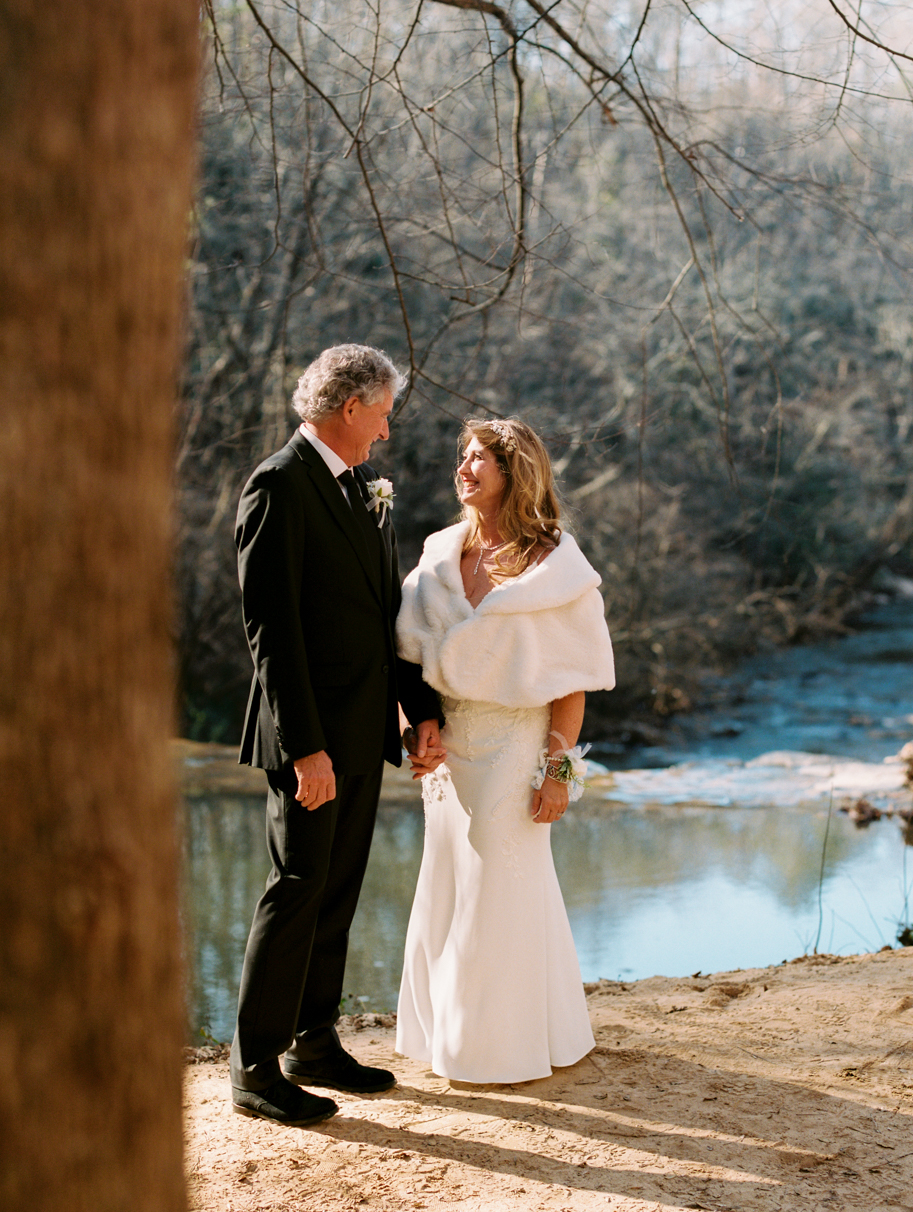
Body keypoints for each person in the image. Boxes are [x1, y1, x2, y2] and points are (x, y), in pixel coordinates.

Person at [230, 344, 444, 1126]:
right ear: (349, 408)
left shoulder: (359, 487)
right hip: (310, 738)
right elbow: (271, 630)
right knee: (294, 890)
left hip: (362, 730)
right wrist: (303, 748)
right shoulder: (277, 486)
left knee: (337, 890)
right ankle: (254, 1068)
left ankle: (313, 1044)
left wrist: (420, 711)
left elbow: (385, 615)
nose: (387, 431)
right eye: (383, 413)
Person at [394, 416, 615, 1084]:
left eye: (477, 460)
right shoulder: (438, 556)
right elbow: (405, 658)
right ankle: (450, 1037)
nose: (463, 469)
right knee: (450, 887)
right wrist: (416, 726)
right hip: (449, 754)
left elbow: (570, 685)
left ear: (512, 470)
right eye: (460, 457)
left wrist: (558, 774)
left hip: (517, 747)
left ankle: (502, 1048)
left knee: (501, 891)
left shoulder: (554, 564)